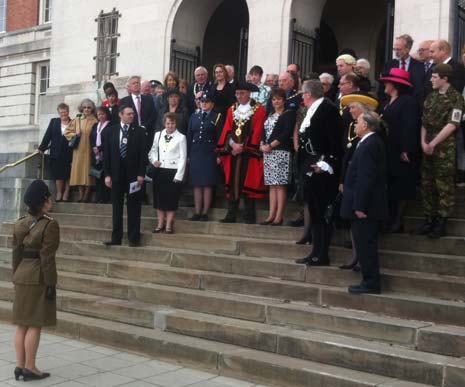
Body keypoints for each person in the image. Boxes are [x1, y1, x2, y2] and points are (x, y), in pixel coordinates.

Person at [12, 180, 59, 381]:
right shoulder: (50, 225)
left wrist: (16, 274)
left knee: (22, 323)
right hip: (38, 276)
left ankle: (20, 365)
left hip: (22, 274)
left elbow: (16, 253)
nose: (51, 200)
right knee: (34, 324)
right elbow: (47, 258)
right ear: (44, 202)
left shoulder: (19, 222)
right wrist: (51, 283)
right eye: (48, 197)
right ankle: (30, 367)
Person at [413, 64, 465, 239]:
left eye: (435, 77)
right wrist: (423, 142)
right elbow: (424, 123)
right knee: (427, 184)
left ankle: (441, 222)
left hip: (444, 148)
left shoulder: (456, 98)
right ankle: (429, 218)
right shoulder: (431, 97)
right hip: (428, 146)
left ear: (445, 79)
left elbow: (452, 125)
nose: (431, 79)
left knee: (443, 185)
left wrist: (433, 143)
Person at [294, 80, 343, 266]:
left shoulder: (328, 109)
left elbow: (334, 141)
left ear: (308, 94)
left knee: (322, 212)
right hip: (309, 165)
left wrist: (326, 162)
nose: (302, 97)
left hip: (323, 169)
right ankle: (314, 252)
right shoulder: (313, 109)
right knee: (313, 211)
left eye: (302, 94)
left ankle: (322, 254)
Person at [341, 112, 387, 294]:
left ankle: (371, 282)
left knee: (365, 245)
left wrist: (360, 205)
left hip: (366, 207)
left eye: (358, 122)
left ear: (366, 125)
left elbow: (366, 178)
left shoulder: (370, 144)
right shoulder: (368, 142)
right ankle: (368, 280)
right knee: (363, 244)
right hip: (364, 204)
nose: (355, 124)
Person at [338, 94, 378, 271]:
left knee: (363, 231)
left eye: (353, 107)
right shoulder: (351, 128)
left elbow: (367, 172)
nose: (350, 110)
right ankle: (355, 256)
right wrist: (342, 179)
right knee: (354, 226)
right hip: (349, 178)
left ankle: (361, 261)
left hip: (361, 188)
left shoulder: (372, 136)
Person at [217, 82, 267, 223]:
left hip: (248, 153)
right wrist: (232, 145)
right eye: (237, 93)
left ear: (249, 93)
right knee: (232, 181)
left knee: (248, 183)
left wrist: (243, 147)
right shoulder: (232, 109)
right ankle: (231, 214)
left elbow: (257, 131)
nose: (239, 96)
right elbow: (227, 129)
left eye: (242, 93)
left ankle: (249, 216)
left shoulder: (259, 110)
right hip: (234, 152)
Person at [379, 68, 420, 233]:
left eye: (387, 82)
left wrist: (406, 149)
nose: (384, 85)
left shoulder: (408, 102)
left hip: (400, 151)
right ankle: (389, 218)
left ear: (394, 84)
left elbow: (410, 126)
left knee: (401, 186)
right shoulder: (386, 102)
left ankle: (398, 220)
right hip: (387, 150)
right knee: (389, 185)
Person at [103, 105, 147, 247]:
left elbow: (142, 155)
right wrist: (107, 175)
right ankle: (116, 238)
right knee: (117, 207)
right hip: (116, 175)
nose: (131, 116)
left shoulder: (139, 132)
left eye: (133, 114)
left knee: (134, 207)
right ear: (120, 115)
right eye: (128, 114)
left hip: (133, 176)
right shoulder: (111, 131)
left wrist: (141, 174)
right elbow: (107, 155)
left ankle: (134, 238)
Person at [260, 88, 295, 225]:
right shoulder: (270, 115)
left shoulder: (288, 114)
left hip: (281, 152)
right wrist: (263, 144)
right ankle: (270, 215)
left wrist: (271, 145)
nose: (276, 102)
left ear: (284, 100)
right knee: (271, 185)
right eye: (274, 99)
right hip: (268, 153)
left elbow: (285, 134)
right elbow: (263, 132)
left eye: (279, 99)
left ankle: (279, 216)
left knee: (279, 185)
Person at [187, 92, 224, 221]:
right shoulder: (194, 116)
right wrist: (188, 155)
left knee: (207, 184)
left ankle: (205, 212)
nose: (204, 104)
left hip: (210, 153)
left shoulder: (217, 117)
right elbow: (189, 136)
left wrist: (219, 154)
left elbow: (220, 137)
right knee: (197, 184)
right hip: (196, 152)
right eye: (202, 101)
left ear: (212, 104)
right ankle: (197, 212)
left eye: (207, 102)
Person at [149, 113, 187, 233]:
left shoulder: (181, 137)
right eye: (168, 123)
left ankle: (169, 225)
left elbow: (183, 157)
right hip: (160, 171)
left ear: (176, 124)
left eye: (172, 123)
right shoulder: (158, 135)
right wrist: (154, 160)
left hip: (173, 172)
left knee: (171, 199)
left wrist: (179, 175)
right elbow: (152, 151)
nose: (170, 126)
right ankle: (160, 224)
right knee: (159, 200)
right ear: (164, 123)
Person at [64, 99, 98, 202]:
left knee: (88, 172)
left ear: (92, 109)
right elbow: (67, 132)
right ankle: (80, 194)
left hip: (89, 149)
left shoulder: (95, 121)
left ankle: (86, 195)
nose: (86, 109)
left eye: (89, 107)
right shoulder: (77, 120)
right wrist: (75, 134)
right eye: (85, 108)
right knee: (78, 171)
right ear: (81, 109)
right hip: (78, 150)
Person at [38, 103, 72, 202]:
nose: (63, 113)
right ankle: (59, 192)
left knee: (68, 173)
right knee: (58, 174)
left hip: (69, 151)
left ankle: (66, 192)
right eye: (61, 112)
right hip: (56, 151)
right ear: (58, 112)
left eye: (65, 111)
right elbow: (47, 135)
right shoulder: (54, 122)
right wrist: (42, 148)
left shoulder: (73, 122)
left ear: (68, 111)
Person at [380, 34, 425, 104]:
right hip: (391, 105)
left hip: (411, 106)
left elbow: (419, 90)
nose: (396, 52)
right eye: (394, 49)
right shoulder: (389, 65)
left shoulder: (420, 66)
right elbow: (382, 87)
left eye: (399, 49)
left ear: (408, 49)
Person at [120, 75, 157, 150]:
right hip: (131, 134)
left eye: (137, 83)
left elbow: (153, 115)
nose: (136, 84)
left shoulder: (148, 99)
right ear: (129, 87)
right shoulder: (124, 101)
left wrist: (144, 127)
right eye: (133, 83)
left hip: (147, 133)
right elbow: (123, 118)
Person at [90, 106, 112, 203]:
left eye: (102, 114)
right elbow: (91, 138)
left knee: (105, 176)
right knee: (97, 177)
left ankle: (106, 198)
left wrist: (100, 148)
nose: (101, 116)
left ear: (106, 114)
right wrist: (94, 148)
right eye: (99, 114)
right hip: (96, 155)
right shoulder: (95, 126)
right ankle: (98, 197)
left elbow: (109, 141)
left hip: (106, 154)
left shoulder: (110, 125)